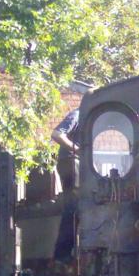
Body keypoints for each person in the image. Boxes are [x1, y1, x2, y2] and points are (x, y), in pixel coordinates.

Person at [52, 109, 80, 263]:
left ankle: (67, 251)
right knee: (73, 206)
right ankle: (62, 253)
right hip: (70, 161)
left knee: (76, 207)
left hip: (73, 162)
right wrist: (78, 149)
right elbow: (57, 134)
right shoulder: (77, 114)